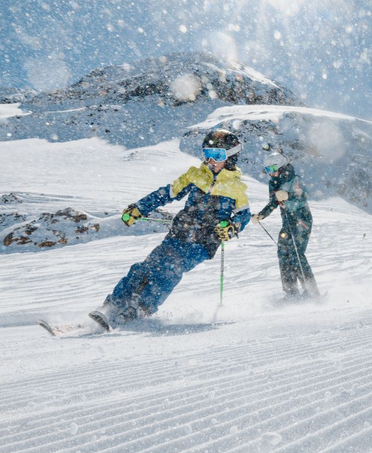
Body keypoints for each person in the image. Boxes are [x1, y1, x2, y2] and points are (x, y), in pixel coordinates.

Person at [89, 128, 251, 329]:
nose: (211, 161)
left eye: (217, 155)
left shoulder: (237, 189)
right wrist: (139, 208)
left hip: (203, 242)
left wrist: (232, 227)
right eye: (207, 154)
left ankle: (139, 309)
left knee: (169, 270)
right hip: (178, 234)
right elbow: (165, 193)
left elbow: (244, 216)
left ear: (231, 157)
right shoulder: (195, 176)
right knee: (146, 267)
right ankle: (113, 306)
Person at [252, 152, 318, 296]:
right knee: (283, 253)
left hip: (302, 220)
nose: (271, 173)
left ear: (281, 166)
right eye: (268, 170)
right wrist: (261, 215)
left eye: (273, 168)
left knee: (296, 254)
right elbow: (273, 203)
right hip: (288, 222)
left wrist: (289, 196)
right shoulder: (273, 183)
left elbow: (303, 197)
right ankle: (291, 292)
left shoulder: (294, 180)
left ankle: (312, 291)